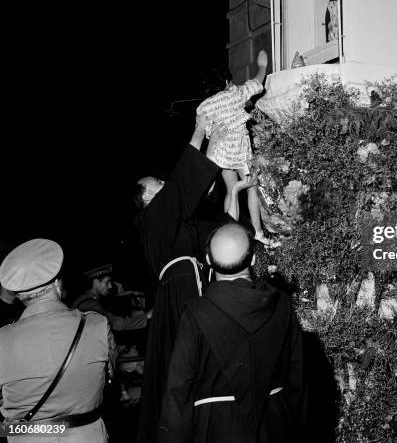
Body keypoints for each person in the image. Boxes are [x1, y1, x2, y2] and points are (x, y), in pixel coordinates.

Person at [134, 112, 249, 443]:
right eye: (155, 182)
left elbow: (227, 234)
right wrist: (199, 131)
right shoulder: (151, 221)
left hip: (204, 294)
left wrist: (235, 189)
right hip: (181, 299)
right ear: (144, 198)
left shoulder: (183, 225)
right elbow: (183, 181)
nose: (163, 182)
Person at [158, 222, 307, 443]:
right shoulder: (282, 304)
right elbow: (298, 376)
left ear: (208, 261)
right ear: (254, 259)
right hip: (274, 425)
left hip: (216, 429)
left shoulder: (195, 314)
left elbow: (178, 389)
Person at [0, 238, 116, 443]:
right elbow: (109, 381)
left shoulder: (3, 339)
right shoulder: (97, 325)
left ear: (19, 295)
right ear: (56, 283)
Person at [196, 49, 271, 245]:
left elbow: (204, 131)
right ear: (226, 82)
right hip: (240, 149)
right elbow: (257, 82)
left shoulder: (203, 107)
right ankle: (258, 232)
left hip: (221, 154)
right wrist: (262, 65)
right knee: (251, 188)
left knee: (231, 190)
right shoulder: (235, 94)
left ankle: (230, 233)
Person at [72, 264, 150, 332]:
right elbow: (116, 324)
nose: (110, 286)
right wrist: (147, 316)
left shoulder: (85, 299)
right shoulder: (89, 305)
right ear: (96, 282)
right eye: (107, 282)